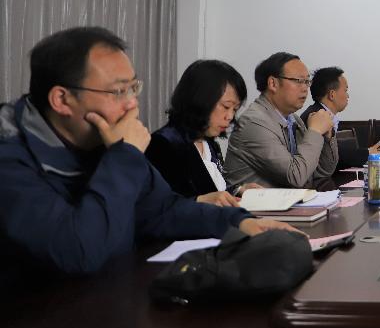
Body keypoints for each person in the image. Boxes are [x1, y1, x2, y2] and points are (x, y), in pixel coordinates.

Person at [0, 27, 297, 286]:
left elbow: (163, 210)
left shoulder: (103, 141)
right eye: (118, 92)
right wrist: (125, 155)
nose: (132, 104)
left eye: (133, 88)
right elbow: (77, 251)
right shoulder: (10, 157)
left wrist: (238, 221)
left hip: (113, 298)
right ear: (62, 99)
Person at [147, 59, 261, 205]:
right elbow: (158, 205)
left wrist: (237, 190)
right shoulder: (163, 144)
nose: (230, 116)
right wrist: (199, 201)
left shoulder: (209, 143)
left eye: (235, 109)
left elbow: (213, 189)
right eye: (226, 107)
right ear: (199, 100)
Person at [224, 52, 338, 189]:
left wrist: (326, 138)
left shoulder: (294, 120)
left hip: (288, 202)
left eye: (307, 81)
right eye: (298, 81)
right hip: (254, 203)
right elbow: (296, 176)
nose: (305, 88)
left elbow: (321, 172)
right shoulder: (254, 122)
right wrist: (315, 131)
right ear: (273, 83)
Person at [300, 66, 380, 169]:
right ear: (332, 95)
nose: (348, 96)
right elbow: (334, 157)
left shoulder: (321, 112)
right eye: (345, 90)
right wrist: (368, 153)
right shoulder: (316, 116)